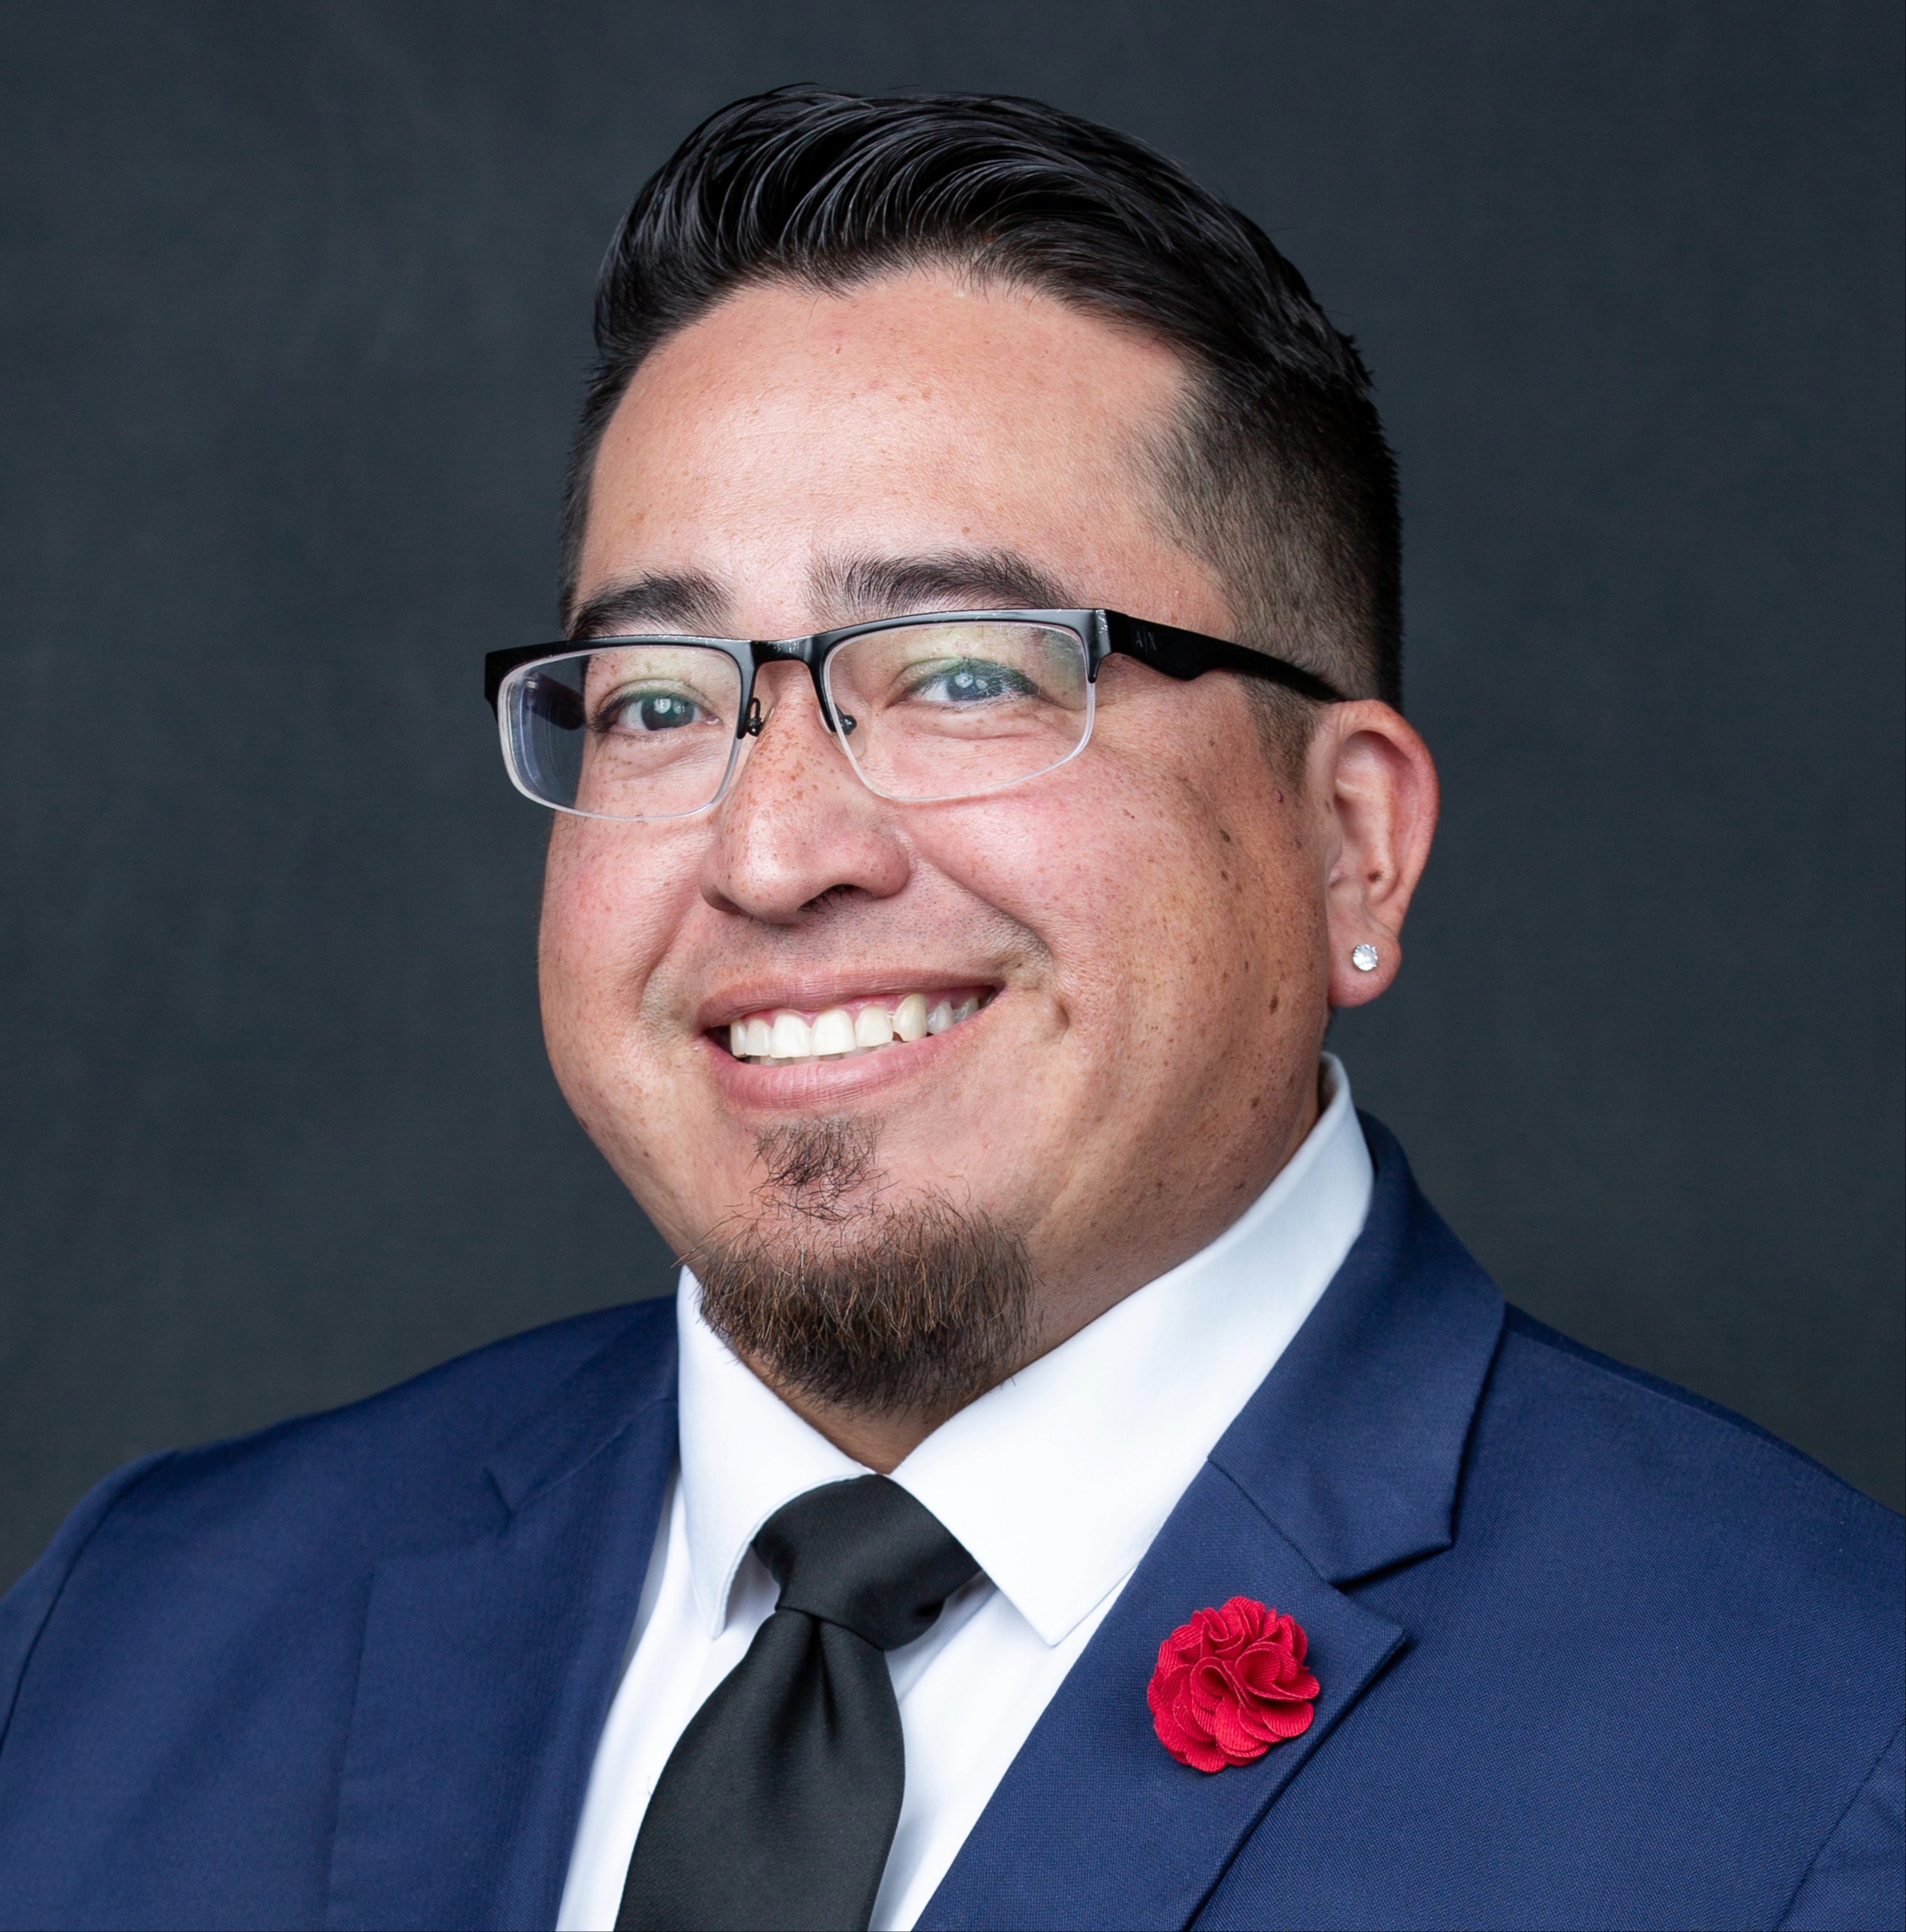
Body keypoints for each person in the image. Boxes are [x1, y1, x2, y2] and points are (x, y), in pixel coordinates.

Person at [0, 87, 1898, 1932]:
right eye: (659, 699)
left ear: (1349, 846)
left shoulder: (1817, 1751)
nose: (770, 848)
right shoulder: (133, 1636)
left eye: (966, 676)